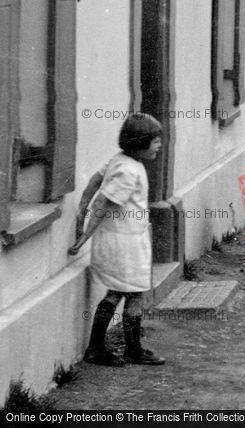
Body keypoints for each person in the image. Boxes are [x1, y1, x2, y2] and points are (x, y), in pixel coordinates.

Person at [69, 113, 165, 366]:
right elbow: (102, 201)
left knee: (119, 292)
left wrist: (81, 212)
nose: (159, 145)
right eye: (155, 141)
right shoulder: (128, 170)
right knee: (133, 294)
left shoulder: (120, 160)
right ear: (140, 142)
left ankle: (98, 347)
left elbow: (95, 182)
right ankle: (127, 349)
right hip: (124, 244)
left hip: (126, 239)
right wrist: (84, 235)